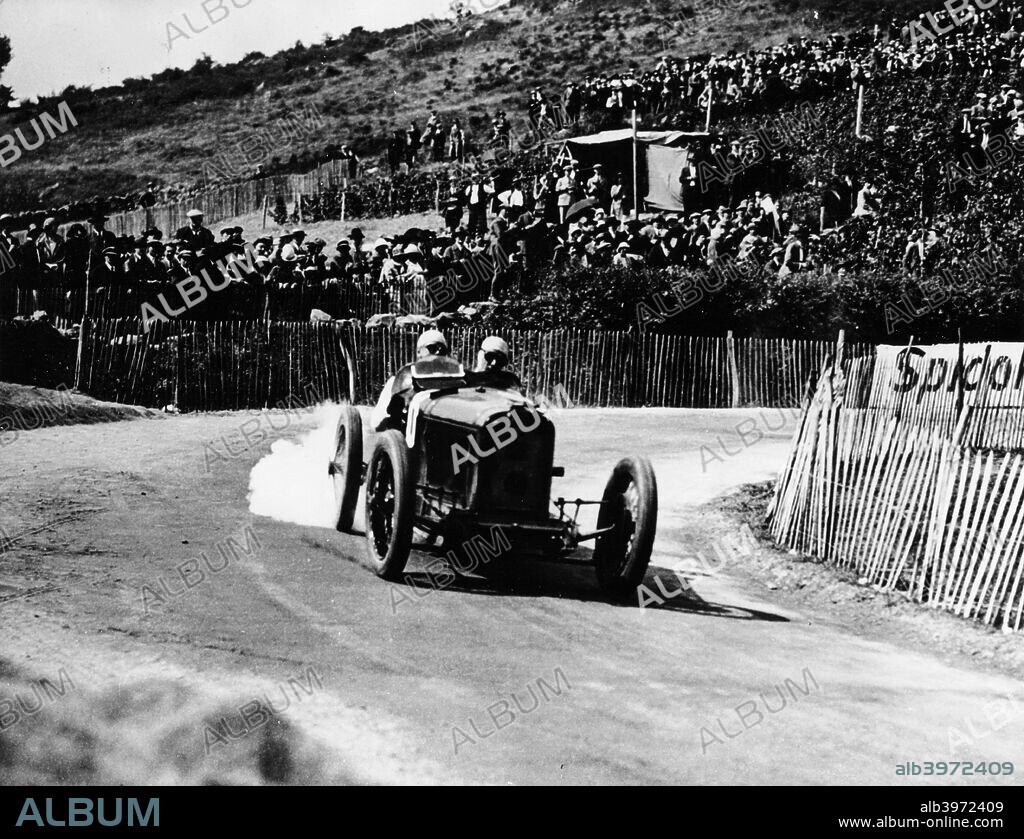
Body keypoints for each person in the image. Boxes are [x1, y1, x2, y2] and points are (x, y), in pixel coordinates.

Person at [370, 329, 456, 431]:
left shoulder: (456, 381)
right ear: (419, 352)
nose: (438, 352)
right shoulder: (401, 381)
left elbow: (376, 424)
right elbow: (377, 423)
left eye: (442, 349)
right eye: (432, 348)